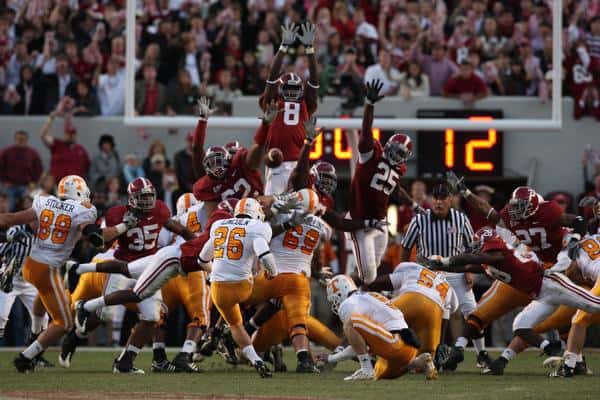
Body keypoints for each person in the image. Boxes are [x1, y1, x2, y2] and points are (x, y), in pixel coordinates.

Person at [423, 227, 600, 374]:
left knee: (593, 304)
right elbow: (468, 265)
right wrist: (440, 265)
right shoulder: (489, 260)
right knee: (520, 325)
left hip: (551, 284)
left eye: (480, 245)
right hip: (540, 296)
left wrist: (445, 260)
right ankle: (552, 348)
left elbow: (476, 258)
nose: (476, 248)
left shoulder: (499, 255)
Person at [0, 175, 131, 372]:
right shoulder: (82, 210)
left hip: (30, 265)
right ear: (79, 192)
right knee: (64, 323)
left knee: (41, 303)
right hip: (48, 269)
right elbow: (96, 235)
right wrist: (125, 226)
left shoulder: (44, 200)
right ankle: (26, 358)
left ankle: (35, 336)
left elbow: (10, 218)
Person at [400, 184, 489, 368]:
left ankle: (482, 354)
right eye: (436, 198)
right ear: (432, 200)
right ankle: (417, 353)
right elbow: (406, 247)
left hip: (455, 271)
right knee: (422, 314)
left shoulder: (460, 219)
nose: (439, 202)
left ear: (451, 200)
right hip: (428, 273)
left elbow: (471, 247)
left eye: (443, 198)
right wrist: (404, 269)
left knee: (473, 313)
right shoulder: (419, 220)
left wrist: (469, 270)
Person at [197, 198, 275, 378]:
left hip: (218, 289)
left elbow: (201, 260)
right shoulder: (257, 226)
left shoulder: (219, 225)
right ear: (255, 211)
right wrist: (273, 273)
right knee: (275, 299)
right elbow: (265, 255)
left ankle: (256, 360)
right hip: (243, 286)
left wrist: (215, 271)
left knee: (235, 325)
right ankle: (267, 344)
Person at [348, 79, 415, 285]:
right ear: (386, 146)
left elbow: (393, 185)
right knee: (367, 275)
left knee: (373, 273)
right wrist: (369, 104)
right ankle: (343, 289)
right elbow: (366, 130)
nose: (395, 155)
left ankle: (360, 295)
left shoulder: (399, 168)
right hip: (360, 222)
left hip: (380, 224)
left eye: (400, 153)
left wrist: (411, 204)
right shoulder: (371, 154)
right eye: (394, 150)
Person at [317, 275, 437, 380]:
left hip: (394, 343)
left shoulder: (348, 303)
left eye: (335, 299)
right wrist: (332, 358)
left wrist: (331, 358)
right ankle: (418, 362)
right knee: (380, 372)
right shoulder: (369, 295)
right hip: (408, 348)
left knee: (350, 322)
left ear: (340, 293)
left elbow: (355, 346)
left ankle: (366, 370)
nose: (336, 304)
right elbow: (358, 346)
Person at [258, 21, 319, 195]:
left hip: (298, 163)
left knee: (298, 210)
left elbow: (314, 79)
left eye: (295, 89)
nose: (292, 93)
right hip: (278, 162)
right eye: (288, 88)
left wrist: (309, 50)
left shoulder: (304, 103)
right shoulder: (273, 101)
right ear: (280, 88)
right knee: (273, 211)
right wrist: (284, 47)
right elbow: (272, 76)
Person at [40, 108, 90, 181]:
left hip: (75, 186)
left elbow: (87, 166)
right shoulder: (57, 144)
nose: (70, 136)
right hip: (58, 183)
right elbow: (43, 135)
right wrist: (51, 119)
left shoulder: (81, 149)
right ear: (65, 134)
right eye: (68, 134)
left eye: (72, 134)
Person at [0, 130, 42, 211]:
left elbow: (38, 168)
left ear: (26, 140)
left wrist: (34, 182)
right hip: (10, 185)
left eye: (23, 139)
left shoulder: (32, 153)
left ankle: (26, 223)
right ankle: (8, 223)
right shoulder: (7, 152)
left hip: (26, 185)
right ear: (15, 139)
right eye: (19, 139)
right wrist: (4, 180)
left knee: (28, 206)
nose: (21, 141)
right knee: (9, 206)